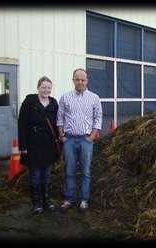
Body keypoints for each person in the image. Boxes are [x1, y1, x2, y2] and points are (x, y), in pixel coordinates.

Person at [57, 68, 102, 212]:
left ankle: (84, 200)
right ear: (73, 80)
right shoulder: (65, 97)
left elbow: (98, 118)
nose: (80, 82)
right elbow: (60, 118)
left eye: (83, 80)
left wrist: (92, 136)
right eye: (77, 79)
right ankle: (69, 199)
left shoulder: (94, 98)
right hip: (69, 140)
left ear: (87, 81)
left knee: (85, 172)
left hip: (86, 140)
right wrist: (62, 136)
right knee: (69, 170)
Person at [18, 76, 59, 214]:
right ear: (38, 87)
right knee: (35, 175)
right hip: (33, 145)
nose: (46, 90)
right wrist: (22, 146)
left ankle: (46, 200)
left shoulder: (53, 103)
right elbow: (22, 124)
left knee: (47, 175)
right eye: (43, 87)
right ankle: (36, 203)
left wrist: (60, 138)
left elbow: (57, 123)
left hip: (48, 145)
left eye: (48, 87)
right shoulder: (30, 101)